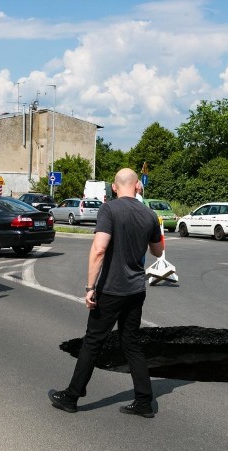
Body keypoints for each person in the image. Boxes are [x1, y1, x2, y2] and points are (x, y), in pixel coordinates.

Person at [48, 168, 164, 417]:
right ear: (137, 186)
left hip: (111, 290)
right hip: (135, 290)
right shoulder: (150, 214)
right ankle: (144, 401)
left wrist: (90, 287)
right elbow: (158, 251)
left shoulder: (109, 210)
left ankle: (71, 396)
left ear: (114, 187)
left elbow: (99, 249)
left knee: (92, 342)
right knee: (131, 343)